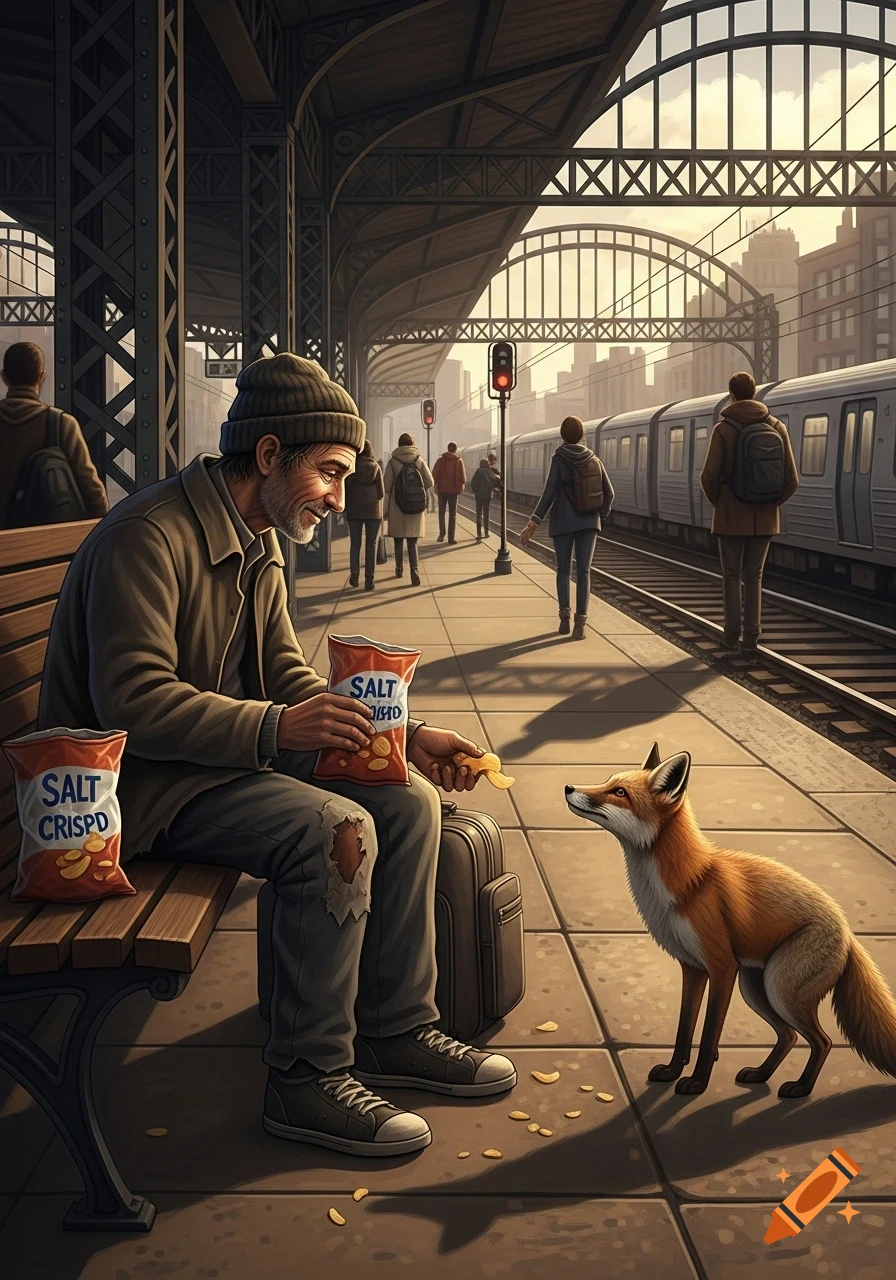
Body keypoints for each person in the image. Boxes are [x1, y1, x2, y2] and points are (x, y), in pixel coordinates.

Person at [38, 353, 516, 1159]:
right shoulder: (146, 540)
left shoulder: (256, 537)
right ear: (269, 457)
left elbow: (286, 672)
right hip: (135, 790)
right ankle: (305, 1077)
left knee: (406, 799)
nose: (337, 497)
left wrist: (402, 735)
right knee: (335, 829)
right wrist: (277, 730)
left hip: (215, 763)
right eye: (328, 474)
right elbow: (133, 703)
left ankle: (396, 1029)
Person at [700, 370, 799, 656]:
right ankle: (752, 637)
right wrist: (770, 503)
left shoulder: (723, 429)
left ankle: (731, 635)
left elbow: (709, 476)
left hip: (730, 515)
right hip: (765, 517)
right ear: (755, 393)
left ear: (731, 394)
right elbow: (791, 479)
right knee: (755, 576)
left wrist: (721, 501)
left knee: (731, 575)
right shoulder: (777, 426)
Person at [520, 415, 614, 640]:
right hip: (589, 525)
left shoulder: (559, 459)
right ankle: (581, 624)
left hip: (562, 523)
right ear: (582, 435)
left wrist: (532, 524)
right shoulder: (594, 459)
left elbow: (548, 494)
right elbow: (609, 494)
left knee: (563, 570)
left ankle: (564, 619)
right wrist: (597, 516)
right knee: (584, 572)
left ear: (563, 434)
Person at [0, 341, 108, 527]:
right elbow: (92, 489)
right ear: (42, 377)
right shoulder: (61, 424)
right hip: (46, 543)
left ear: (4, 377)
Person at [383, 431, 434, 587]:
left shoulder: (393, 462)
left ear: (399, 445)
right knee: (412, 542)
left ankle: (399, 569)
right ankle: (415, 571)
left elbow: (386, 486)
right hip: (415, 506)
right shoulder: (419, 460)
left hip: (397, 507)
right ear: (412, 444)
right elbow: (430, 481)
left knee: (398, 540)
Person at [343, 439, 383, 590]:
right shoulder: (376, 467)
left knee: (355, 545)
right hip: (373, 512)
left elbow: (345, 489)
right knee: (371, 545)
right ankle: (369, 580)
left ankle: (354, 576)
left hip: (354, 510)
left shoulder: (351, 468)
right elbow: (381, 492)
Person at [431, 440, 466, 544]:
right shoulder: (459, 461)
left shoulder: (441, 460)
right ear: (455, 450)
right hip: (453, 491)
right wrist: (460, 486)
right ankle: (451, 538)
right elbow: (463, 478)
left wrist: (436, 484)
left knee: (441, 513)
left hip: (442, 490)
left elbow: (434, 474)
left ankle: (442, 535)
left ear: (447, 449)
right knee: (452, 514)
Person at [470, 457, 500, 542]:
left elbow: (473, 484)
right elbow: (497, 481)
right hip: (487, 496)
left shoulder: (477, 472)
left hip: (478, 496)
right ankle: (486, 532)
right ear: (487, 464)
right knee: (486, 515)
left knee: (478, 515)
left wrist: (475, 490)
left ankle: (479, 534)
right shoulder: (489, 472)